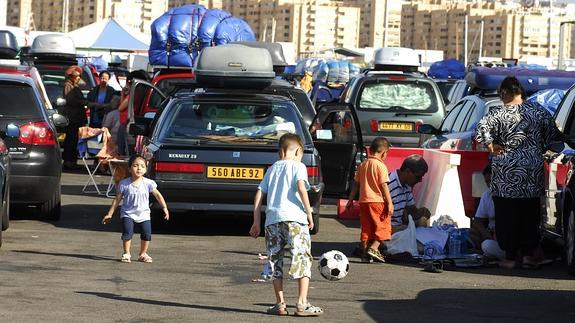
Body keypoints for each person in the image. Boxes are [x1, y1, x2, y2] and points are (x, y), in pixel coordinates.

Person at [476, 76, 572, 269]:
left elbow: (480, 131)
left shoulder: (497, 113)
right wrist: (540, 147)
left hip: (505, 175)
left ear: (504, 92)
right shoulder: (538, 112)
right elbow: (554, 136)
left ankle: (511, 257)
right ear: (520, 91)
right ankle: (529, 255)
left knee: (506, 215)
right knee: (529, 215)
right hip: (531, 173)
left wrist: (491, 145)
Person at [249, 133, 323, 317]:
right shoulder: (299, 166)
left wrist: (256, 221)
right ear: (298, 151)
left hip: (272, 221)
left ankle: (280, 304)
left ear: (279, 151)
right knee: (302, 257)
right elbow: (300, 187)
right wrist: (309, 212)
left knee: (275, 260)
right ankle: (302, 303)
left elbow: (259, 195)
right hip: (295, 219)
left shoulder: (271, 169)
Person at [102, 154, 169, 263]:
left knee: (146, 234)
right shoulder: (124, 184)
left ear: (146, 169)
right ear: (129, 168)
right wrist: (110, 213)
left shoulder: (148, 183)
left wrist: (164, 207)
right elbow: (117, 199)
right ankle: (126, 253)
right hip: (128, 213)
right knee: (127, 233)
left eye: (142, 166)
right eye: (135, 165)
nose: (139, 168)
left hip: (144, 214)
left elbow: (157, 195)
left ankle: (143, 254)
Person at [346, 137, 394, 263]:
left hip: (363, 202)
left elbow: (356, 184)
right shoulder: (380, 166)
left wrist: (350, 200)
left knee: (366, 228)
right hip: (377, 201)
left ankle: (364, 253)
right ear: (383, 152)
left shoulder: (363, 165)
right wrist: (389, 202)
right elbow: (384, 185)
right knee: (383, 225)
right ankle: (374, 247)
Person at [469, 164, 505, 260]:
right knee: (470, 234)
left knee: (487, 245)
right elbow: (477, 221)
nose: (490, 184)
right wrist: (485, 233)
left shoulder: (508, 195)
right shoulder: (487, 195)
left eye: (491, 181)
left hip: (506, 240)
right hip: (491, 236)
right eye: (487, 182)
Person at [388, 154, 431, 233]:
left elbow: (412, 211)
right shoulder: (388, 183)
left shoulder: (407, 186)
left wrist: (422, 212)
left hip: (398, 228)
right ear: (407, 171)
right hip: (386, 230)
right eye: (418, 177)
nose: (420, 180)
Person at [62, 65, 93, 170]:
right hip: (72, 118)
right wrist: (83, 102)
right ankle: (68, 161)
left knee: (74, 140)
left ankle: (72, 160)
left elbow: (83, 84)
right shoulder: (68, 85)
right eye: (76, 76)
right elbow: (71, 101)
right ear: (71, 77)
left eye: (79, 76)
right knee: (71, 140)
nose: (79, 78)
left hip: (77, 118)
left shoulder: (75, 86)